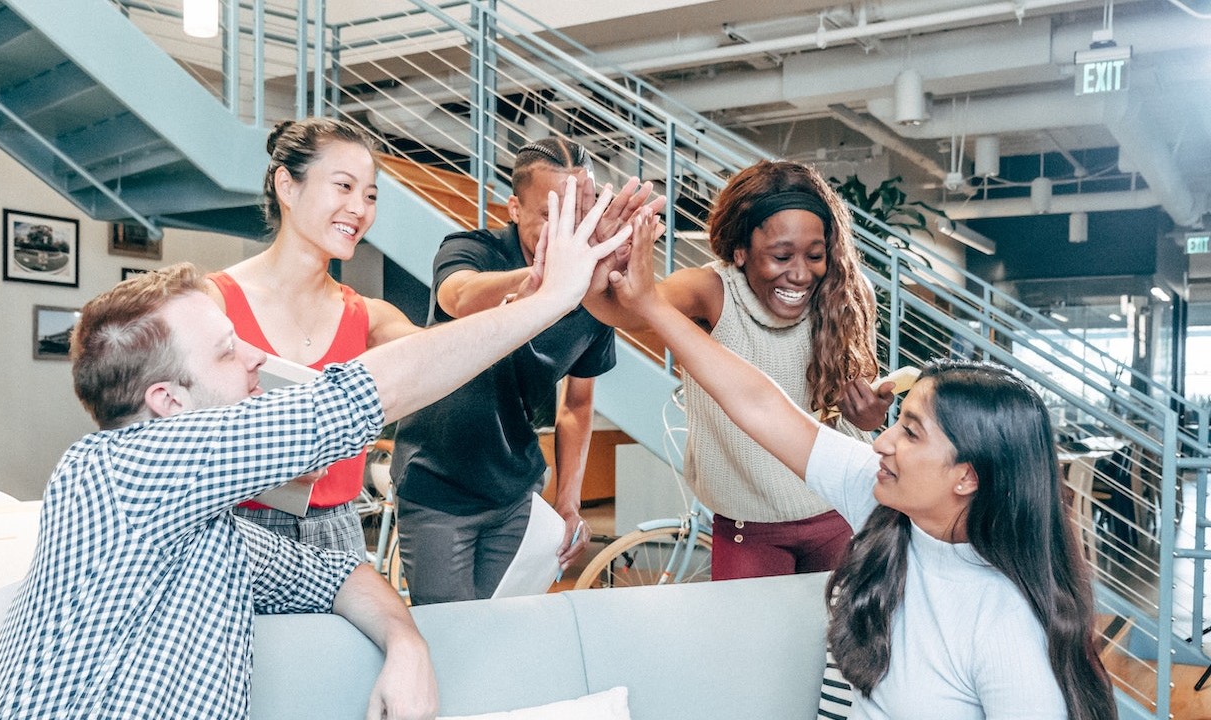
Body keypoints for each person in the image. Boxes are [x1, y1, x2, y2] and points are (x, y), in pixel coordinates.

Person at [0, 177, 632, 720]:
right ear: (167, 404)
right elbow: (351, 401)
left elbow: (339, 576)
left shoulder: (206, 530)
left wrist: (407, 643)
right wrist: (554, 297)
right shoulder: (115, 470)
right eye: (229, 350)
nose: (257, 359)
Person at [604, 215, 1116, 719]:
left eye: (910, 432)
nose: (881, 441)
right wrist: (651, 305)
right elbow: (760, 404)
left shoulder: (1006, 626)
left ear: (968, 476)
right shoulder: (878, 503)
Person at [586, 159, 890, 581]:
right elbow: (625, 311)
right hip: (749, 527)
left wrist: (871, 417)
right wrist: (598, 263)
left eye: (815, 255)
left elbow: (861, 417)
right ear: (740, 250)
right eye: (781, 255)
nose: (801, 274)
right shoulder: (710, 291)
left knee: (837, 645)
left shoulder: (847, 295)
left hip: (841, 513)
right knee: (747, 646)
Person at [391, 138, 662, 605]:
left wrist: (569, 502)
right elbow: (457, 296)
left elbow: (578, 405)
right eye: (550, 217)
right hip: (438, 487)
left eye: (579, 216)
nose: (567, 233)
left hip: (516, 492)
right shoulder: (473, 248)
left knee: (506, 632)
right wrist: (540, 283)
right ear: (514, 208)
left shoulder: (593, 294)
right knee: (451, 637)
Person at [206, 117, 420, 551]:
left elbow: (446, 358)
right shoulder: (213, 303)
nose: (360, 209)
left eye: (370, 195)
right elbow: (168, 427)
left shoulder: (369, 317)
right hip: (234, 528)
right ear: (287, 186)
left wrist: (526, 304)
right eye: (344, 186)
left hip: (338, 532)